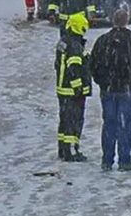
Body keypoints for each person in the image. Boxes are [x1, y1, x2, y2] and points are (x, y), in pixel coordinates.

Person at [90, 9, 131, 172]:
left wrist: (102, 82)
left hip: (109, 90)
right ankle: (124, 160)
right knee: (124, 125)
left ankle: (107, 160)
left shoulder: (102, 41)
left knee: (109, 124)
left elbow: (93, 65)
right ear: (127, 21)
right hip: (128, 90)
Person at [54, 13, 92, 162]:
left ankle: (63, 148)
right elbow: (74, 68)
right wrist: (79, 87)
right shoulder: (75, 45)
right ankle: (71, 151)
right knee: (73, 120)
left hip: (62, 89)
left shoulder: (63, 41)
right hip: (72, 91)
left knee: (64, 120)